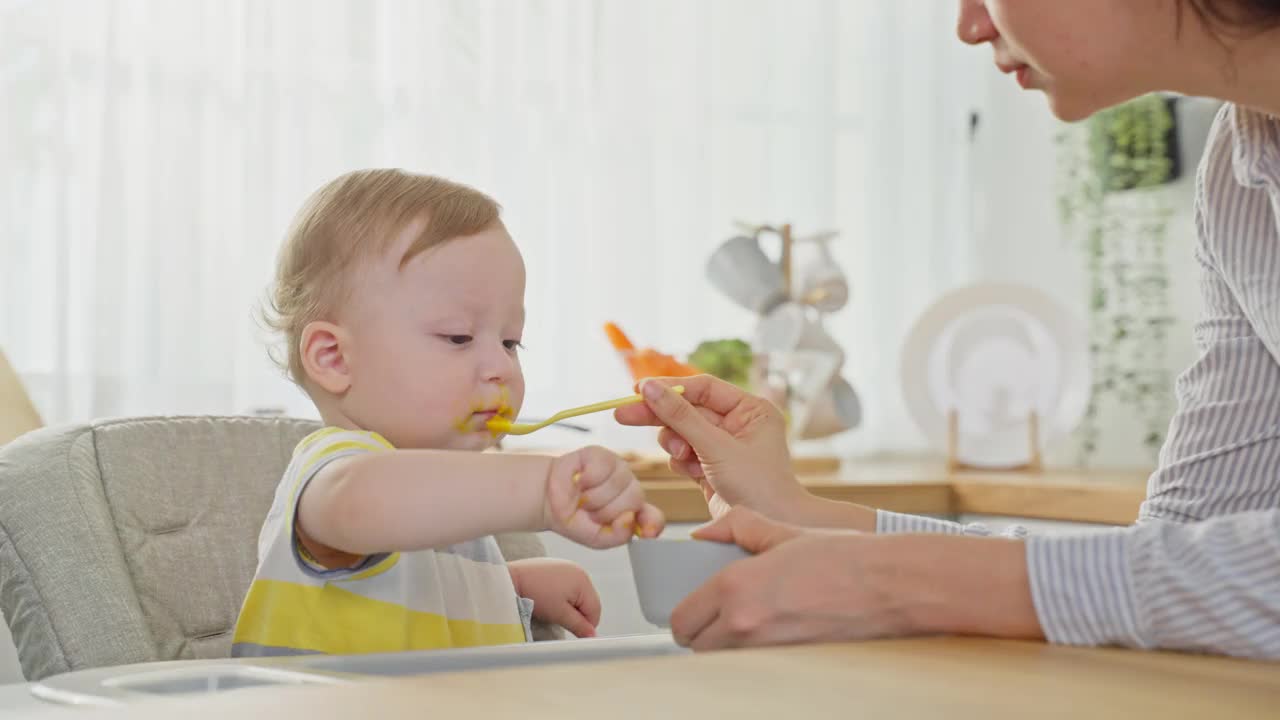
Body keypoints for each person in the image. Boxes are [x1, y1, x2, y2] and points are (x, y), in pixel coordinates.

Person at [615, 0, 1280, 659]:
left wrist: (901, 583)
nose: (968, 26)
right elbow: (1186, 551)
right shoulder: (1239, 172)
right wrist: (797, 513)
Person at [231, 169, 664, 657]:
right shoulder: (336, 470)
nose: (501, 366)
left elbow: (400, 586)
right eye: (458, 337)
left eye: (510, 341)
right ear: (334, 358)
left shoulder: (436, 509)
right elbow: (367, 504)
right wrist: (542, 490)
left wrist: (506, 587)